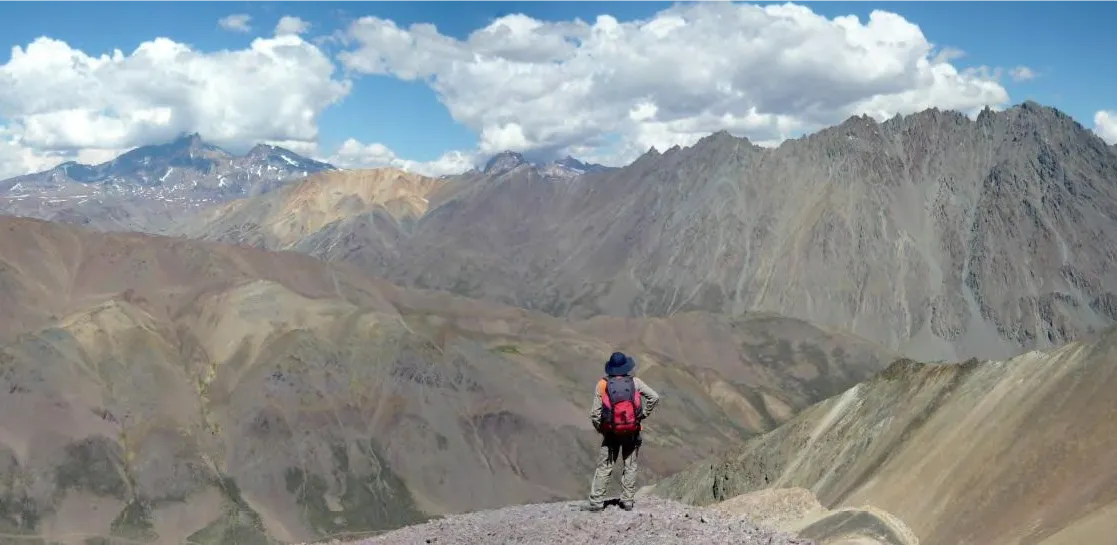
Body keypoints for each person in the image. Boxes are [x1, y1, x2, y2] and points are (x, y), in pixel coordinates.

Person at [581, 351, 660, 512]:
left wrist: (602, 429)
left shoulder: (602, 384)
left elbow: (595, 414)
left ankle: (596, 502)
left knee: (605, 466)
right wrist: (642, 415)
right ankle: (627, 501)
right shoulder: (635, 382)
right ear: (626, 367)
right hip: (631, 430)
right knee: (630, 465)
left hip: (611, 432)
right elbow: (654, 397)